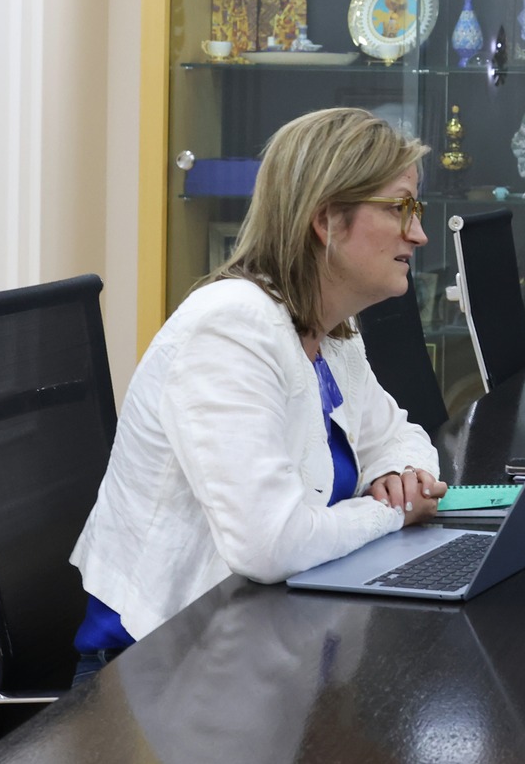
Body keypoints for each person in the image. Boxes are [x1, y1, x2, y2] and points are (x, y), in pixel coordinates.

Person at [70, 108, 448, 680]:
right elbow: (271, 544)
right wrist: (391, 511)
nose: (418, 234)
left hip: (267, 648)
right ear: (327, 219)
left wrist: (398, 471)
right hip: (157, 678)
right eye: (400, 209)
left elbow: (399, 435)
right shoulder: (229, 330)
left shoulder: (332, 331)